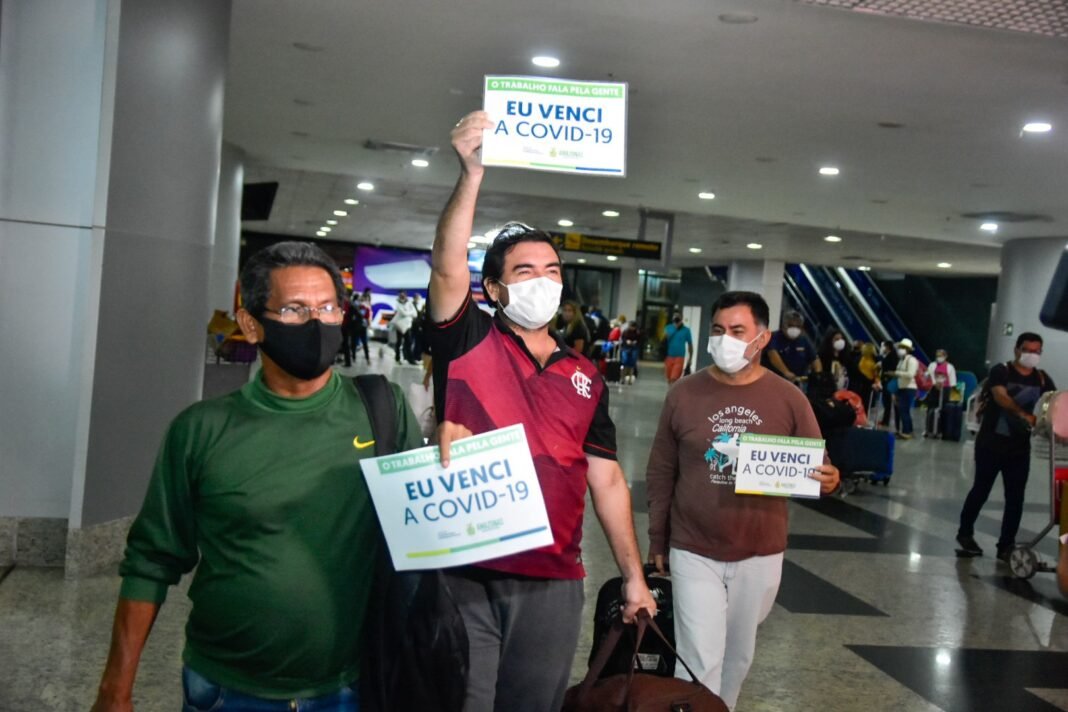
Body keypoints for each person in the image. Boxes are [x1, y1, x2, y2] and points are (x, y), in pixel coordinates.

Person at [90, 241, 426, 712]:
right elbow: (151, 559)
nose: (316, 322)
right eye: (294, 309)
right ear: (251, 325)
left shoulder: (382, 410)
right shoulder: (201, 430)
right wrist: (115, 689)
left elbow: (427, 527)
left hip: (351, 685)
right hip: (226, 688)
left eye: (328, 307)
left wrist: (458, 460)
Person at [428, 110, 656, 712]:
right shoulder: (468, 338)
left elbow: (607, 479)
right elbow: (447, 266)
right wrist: (471, 175)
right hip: (466, 567)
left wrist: (633, 576)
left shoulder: (585, 375)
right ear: (493, 289)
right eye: (525, 271)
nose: (543, 282)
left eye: (552, 271)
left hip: (553, 575)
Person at [645, 291, 840, 710]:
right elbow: (661, 471)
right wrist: (657, 537)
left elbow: (818, 464)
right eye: (719, 330)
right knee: (698, 658)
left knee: (737, 656)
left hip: (759, 550)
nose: (725, 340)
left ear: (762, 338)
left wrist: (829, 478)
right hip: (693, 546)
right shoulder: (684, 394)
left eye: (738, 331)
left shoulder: (788, 398)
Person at [956, 332, 1054, 562]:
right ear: (1017, 350)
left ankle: (1006, 545)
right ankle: (965, 533)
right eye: (1028, 350)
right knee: (981, 490)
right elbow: (1000, 396)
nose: (1032, 355)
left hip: (1019, 449)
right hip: (990, 444)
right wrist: (1024, 415)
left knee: (1015, 498)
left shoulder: (1041, 379)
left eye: (1037, 351)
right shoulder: (1001, 371)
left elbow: (1052, 403)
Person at [763, 310, 820, 385]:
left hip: (797, 382)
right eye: (790, 325)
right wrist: (786, 372)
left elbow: (815, 359)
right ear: (783, 325)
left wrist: (818, 374)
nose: (794, 329)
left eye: (798, 326)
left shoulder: (803, 340)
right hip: (774, 380)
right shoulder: (774, 337)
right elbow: (772, 354)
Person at [890, 338, 920, 439]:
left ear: (908, 349)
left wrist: (896, 373)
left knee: (904, 410)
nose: (900, 349)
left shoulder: (912, 360)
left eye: (902, 347)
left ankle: (907, 432)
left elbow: (910, 374)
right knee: (901, 410)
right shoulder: (902, 360)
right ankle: (906, 430)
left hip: (908, 388)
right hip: (901, 387)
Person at [663, 313, 693, 385]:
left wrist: (690, 358)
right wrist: (675, 328)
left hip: (680, 357)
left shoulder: (686, 330)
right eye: (675, 318)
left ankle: (672, 391)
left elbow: (690, 345)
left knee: (674, 378)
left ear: (681, 319)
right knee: (669, 378)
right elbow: (666, 338)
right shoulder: (668, 327)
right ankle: (671, 391)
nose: (676, 320)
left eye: (678, 318)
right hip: (669, 356)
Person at [390, 289, 419, 363]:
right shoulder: (397, 303)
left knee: (408, 342)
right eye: (401, 295)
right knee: (399, 342)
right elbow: (403, 313)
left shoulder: (409, 302)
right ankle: (397, 358)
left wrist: (407, 313)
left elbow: (415, 314)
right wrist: (410, 313)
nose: (402, 296)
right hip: (400, 326)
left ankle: (410, 359)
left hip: (407, 326)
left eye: (403, 295)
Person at [877, 340, 899, 430]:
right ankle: (885, 420)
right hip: (885, 380)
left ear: (888, 347)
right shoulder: (887, 355)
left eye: (884, 346)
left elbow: (892, 367)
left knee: (888, 402)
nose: (883, 348)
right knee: (886, 402)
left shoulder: (893, 356)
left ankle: (886, 421)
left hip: (889, 380)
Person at [620, 320, 641, 385]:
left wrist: (635, 342)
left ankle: (629, 379)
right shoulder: (625, 331)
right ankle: (623, 378)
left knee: (631, 364)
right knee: (625, 362)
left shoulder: (637, 332)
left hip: (633, 348)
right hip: (626, 348)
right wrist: (626, 341)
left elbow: (639, 340)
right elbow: (623, 339)